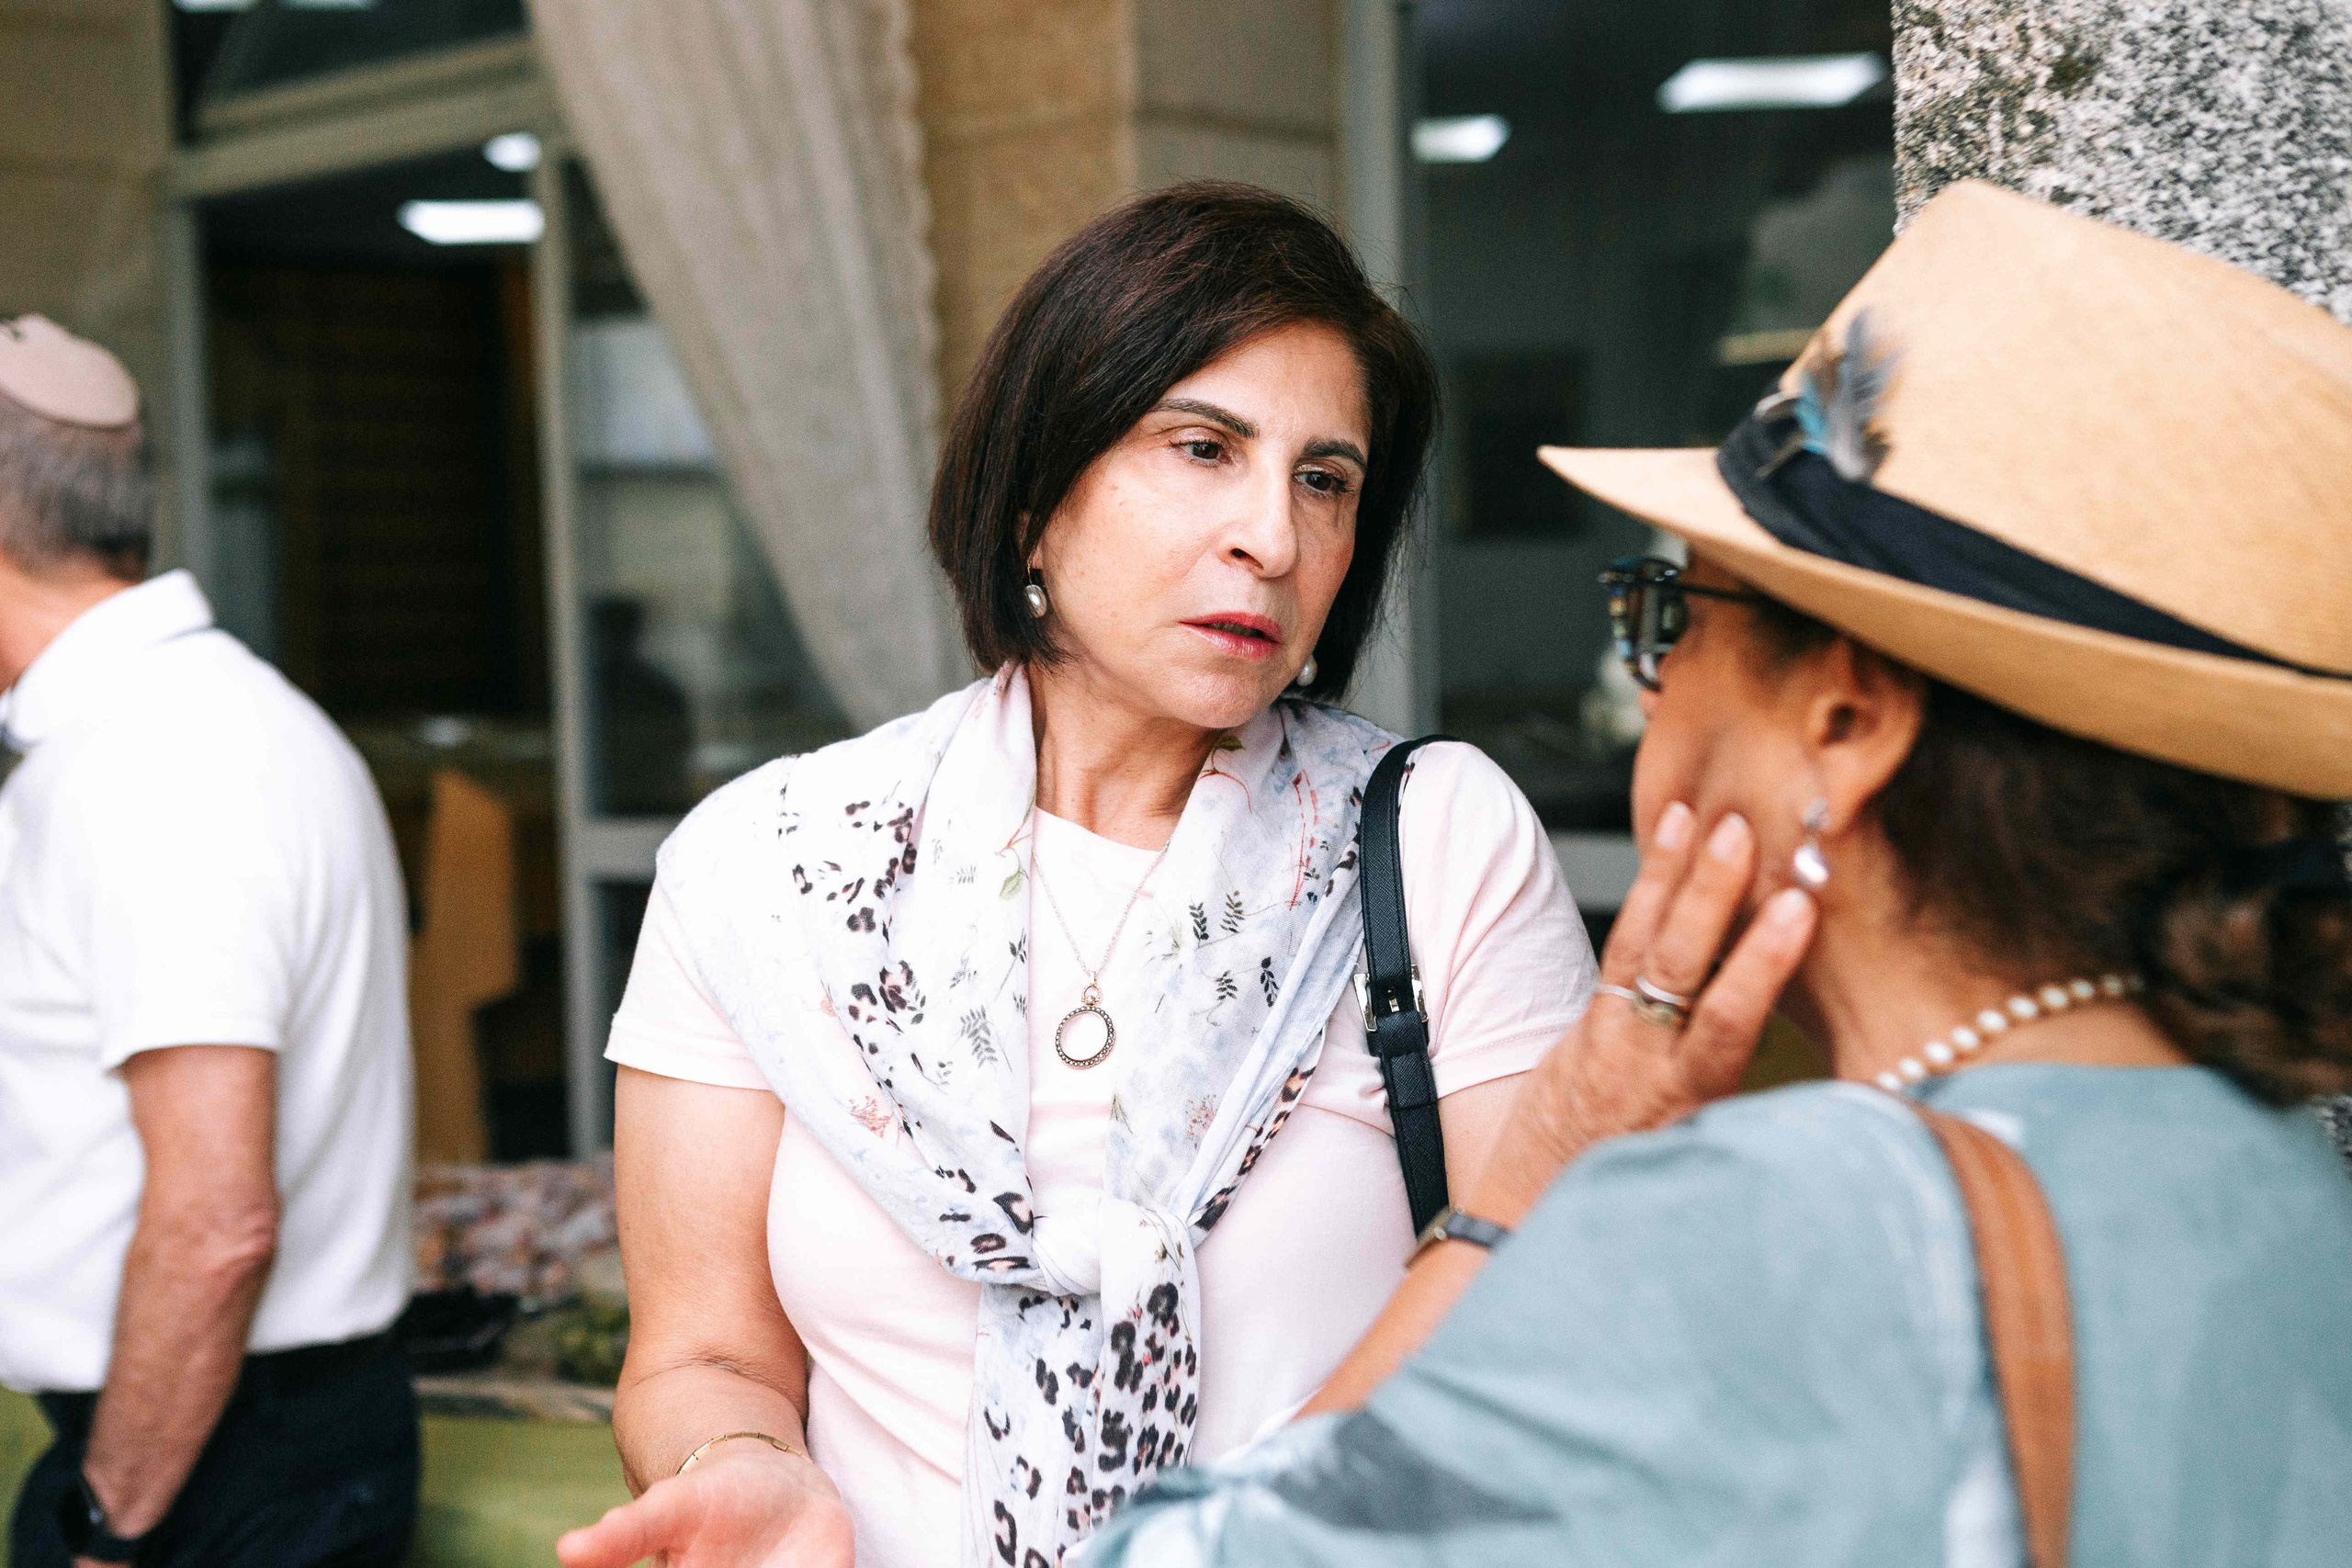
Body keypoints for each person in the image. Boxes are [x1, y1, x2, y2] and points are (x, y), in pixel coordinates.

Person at [1080, 181, 2352, 1565]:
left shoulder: (1780, 1222)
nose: (1654, 679)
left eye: (1672, 612)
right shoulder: (2276, 1171)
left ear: (1845, 720)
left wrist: (1514, 1198)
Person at [555, 184, 1598, 1568]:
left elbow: (1543, 1339)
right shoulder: (768, 870)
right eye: (1203, 447)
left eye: (1325, 480)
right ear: (1033, 499)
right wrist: (745, 1465)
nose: (1274, 538)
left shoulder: (1433, 839)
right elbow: (703, 1353)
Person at [0, 318, 418, 1566]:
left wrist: (108, 1529)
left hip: (211, 1468)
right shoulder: (171, 724)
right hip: (209, 1441)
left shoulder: (160, 759)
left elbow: (218, 1220)